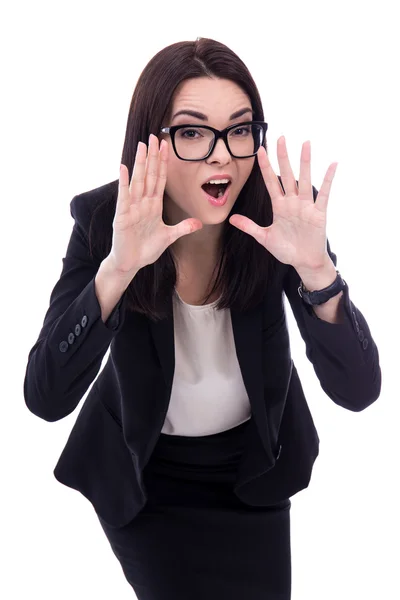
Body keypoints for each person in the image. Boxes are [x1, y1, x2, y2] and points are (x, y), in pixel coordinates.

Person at [23, 37, 381, 600]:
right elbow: (44, 396)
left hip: (250, 473)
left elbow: (359, 391)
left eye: (240, 130)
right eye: (191, 132)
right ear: (151, 143)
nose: (221, 154)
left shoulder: (279, 216)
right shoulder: (103, 220)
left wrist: (317, 271)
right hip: (145, 481)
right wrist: (117, 271)